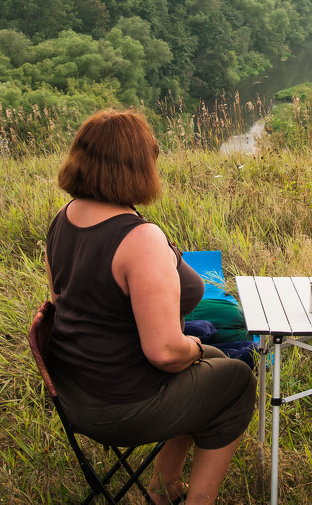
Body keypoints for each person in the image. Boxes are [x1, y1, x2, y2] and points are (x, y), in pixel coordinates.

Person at [44, 108, 255, 505]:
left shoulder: (64, 218)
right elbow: (163, 352)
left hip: (76, 390)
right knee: (238, 381)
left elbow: (66, 301)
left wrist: (196, 352)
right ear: (136, 168)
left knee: (212, 363)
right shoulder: (139, 239)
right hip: (123, 404)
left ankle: (163, 486)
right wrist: (191, 347)